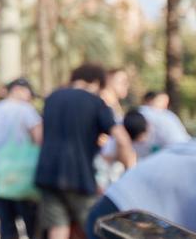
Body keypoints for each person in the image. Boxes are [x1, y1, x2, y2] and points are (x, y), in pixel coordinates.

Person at [35, 63, 135, 239]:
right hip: (79, 176)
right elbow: (121, 138)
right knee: (94, 228)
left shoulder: (52, 98)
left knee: (57, 227)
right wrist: (130, 169)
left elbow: (41, 136)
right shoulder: (96, 102)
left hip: (47, 174)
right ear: (96, 82)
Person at [0, 78, 42, 239]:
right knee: (32, 229)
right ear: (18, 90)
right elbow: (39, 139)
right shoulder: (26, 110)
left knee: (7, 229)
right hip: (24, 179)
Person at [138, 90, 190, 155]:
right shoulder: (163, 116)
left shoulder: (165, 115)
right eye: (160, 101)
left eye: (166, 103)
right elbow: (181, 141)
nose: (164, 105)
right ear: (149, 100)